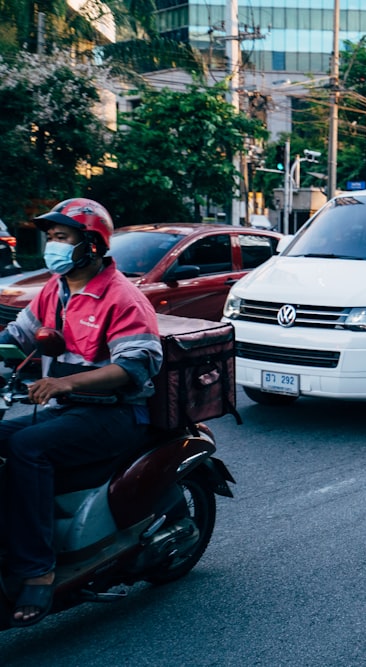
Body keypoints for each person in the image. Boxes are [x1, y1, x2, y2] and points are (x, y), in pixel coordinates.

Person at [0, 199, 162, 626]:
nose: (51, 246)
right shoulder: (56, 288)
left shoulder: (122, 296)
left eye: (61, 238)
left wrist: (66, 383)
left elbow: (135, 366)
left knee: (26, 448)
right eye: (50, 238)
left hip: (115, 414)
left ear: (90, 244)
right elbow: (19, 337)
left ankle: (38, 569)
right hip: (66, 409)